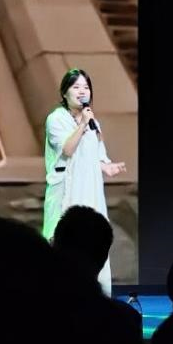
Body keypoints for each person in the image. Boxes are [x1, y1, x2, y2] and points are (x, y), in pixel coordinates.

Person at [42, 68, 126, 295]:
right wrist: (82, 124)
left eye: (86, 87)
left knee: (93, 239)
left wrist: (107, 166)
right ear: (65, 92)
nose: (82, 91)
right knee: (61, 240)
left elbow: (96, 156)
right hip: (65, 190)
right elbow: (68, 150)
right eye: (76, 87)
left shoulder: (93, 123)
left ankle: (98, 296)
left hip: (90, 190)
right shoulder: (56, 119)